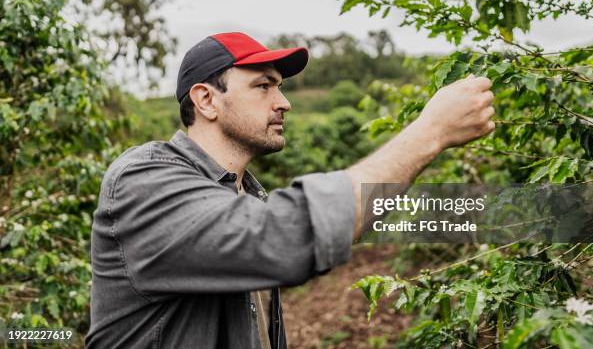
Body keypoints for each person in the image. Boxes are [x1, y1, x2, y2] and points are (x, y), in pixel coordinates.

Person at [85, 32, 495, 349]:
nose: (284, 102)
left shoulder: (246, 196)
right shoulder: (143, 180)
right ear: (207, 100)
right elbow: (285, 237)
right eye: (264, 86)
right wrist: (430, 132)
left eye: (279, 87)